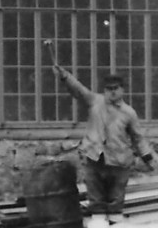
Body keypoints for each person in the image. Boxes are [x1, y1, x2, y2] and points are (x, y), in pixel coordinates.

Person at [54, 64, 154, 224]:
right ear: (104, 90)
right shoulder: (95, 102)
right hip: (95, 156)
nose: (112, 91)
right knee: (96, 195)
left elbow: (138, 138)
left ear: (122, 90)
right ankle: (98, 221)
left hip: (119, 159)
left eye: (116, 88)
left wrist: (148, 158)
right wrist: (64, 76)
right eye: (109, 88)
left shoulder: (129, 113)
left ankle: (115, 221)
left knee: (116, 198)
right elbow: (79, 90)